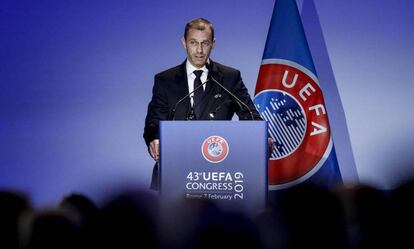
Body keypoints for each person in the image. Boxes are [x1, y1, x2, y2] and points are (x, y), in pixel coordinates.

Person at [143, 18, 262, 190]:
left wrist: (262, 136)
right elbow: (154, 120)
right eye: (193, 43)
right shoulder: (165, 80)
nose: (199, 50)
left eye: (205, 43)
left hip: (218, 176)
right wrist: (155, 138)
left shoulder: (229, 77)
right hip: (174, 172)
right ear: (184, 42)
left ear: (213, 43)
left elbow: (250, 115)